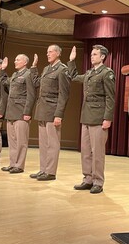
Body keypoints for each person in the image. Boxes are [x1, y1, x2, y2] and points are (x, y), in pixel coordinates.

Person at [67, 45, 115, 194]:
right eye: (91, 54)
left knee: (97, 152)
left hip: (99, 118)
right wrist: (71, 61)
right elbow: (74, 77)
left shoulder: (106, 73)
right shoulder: (89, 73)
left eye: (95, 54)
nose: (91, 56)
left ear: (102, 57)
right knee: (86, 151)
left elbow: (110, 97)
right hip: (86, 117)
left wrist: (107, 118)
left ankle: (98, 181)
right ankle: (87, 179)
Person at [30, 45, 71, 181]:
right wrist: (34, 67)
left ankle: (51, 172)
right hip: (42, 110)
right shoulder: (47, 69)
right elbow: (37, 84)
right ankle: (43, 169)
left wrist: (59, 114)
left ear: (58, 53)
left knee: (53, 143)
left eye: (50, 52)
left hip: (53, 111)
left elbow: (63, 95)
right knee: (43, 143)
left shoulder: (62, 70)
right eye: (47, 52)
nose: (47, 54)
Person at [0, 54, 36, 174]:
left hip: (21, 112)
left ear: (25, 62)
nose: (15, 61)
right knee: (12, 141)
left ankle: (19, 165)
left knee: (21, 141)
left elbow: (31, 95)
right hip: (11, 112)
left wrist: (27, 112)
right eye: (15, 59)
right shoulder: (15, 75)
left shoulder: (28, 74)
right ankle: (12, 163)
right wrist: (3, 70)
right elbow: (5, 83)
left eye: (17, 60)